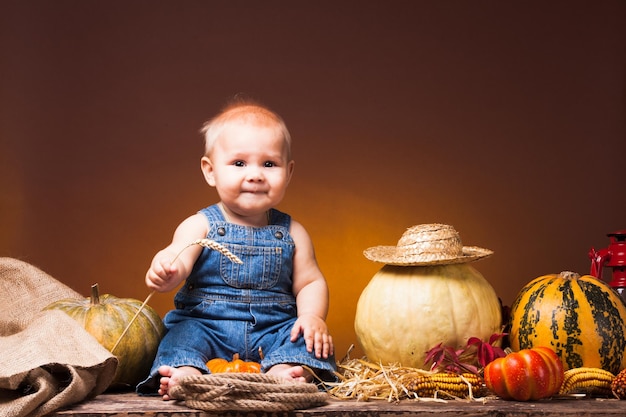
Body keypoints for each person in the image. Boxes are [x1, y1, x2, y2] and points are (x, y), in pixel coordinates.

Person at [136, 99, 337, 400]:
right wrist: (167, 270)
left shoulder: (293, 232)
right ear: (210, 170)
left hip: (272, 330)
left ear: (289, 172)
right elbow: (177, 254)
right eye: (239, 163)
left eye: (269, 164)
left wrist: (312, 317)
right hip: (208, 328)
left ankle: (284, 370)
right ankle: (187, 374)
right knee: (180, 336)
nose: (255, 174)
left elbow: (310, 281)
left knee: (305, 340)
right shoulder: (200, 224)